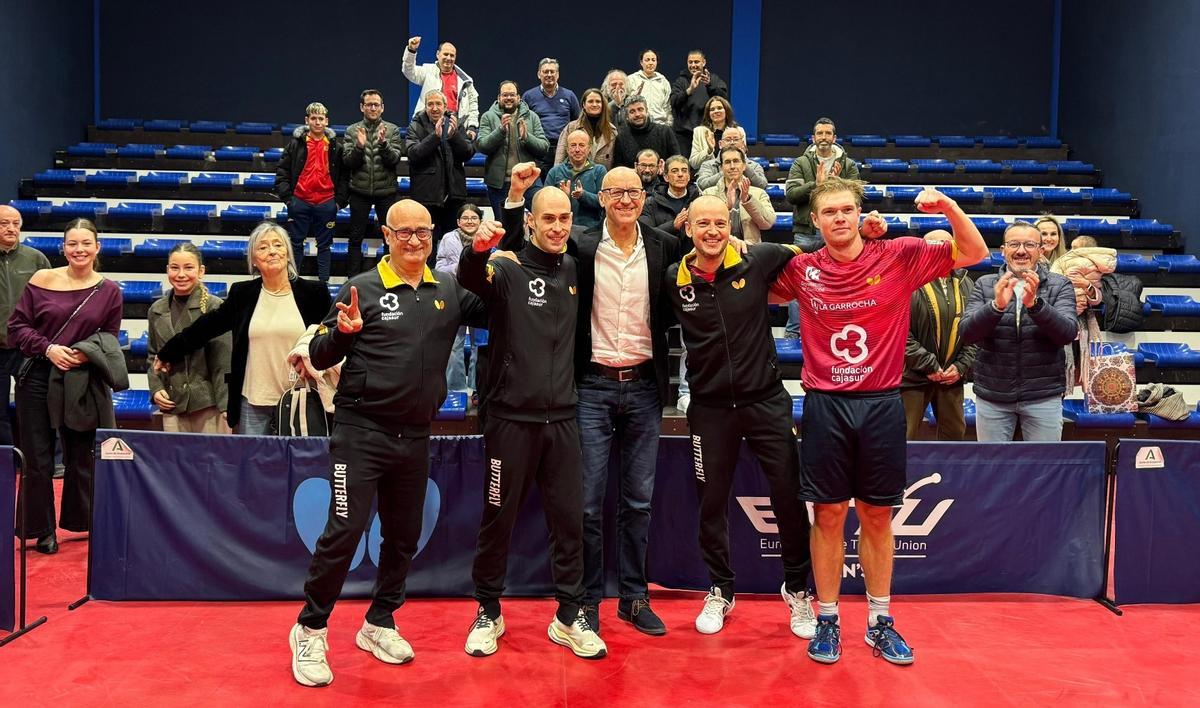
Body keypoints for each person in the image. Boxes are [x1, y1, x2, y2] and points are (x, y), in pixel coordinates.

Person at [770, 177, 988, 666]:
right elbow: (749, 285)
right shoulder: (802, 270)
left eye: (847, 210)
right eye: (830, 213)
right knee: (827, 515)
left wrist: (947, 205)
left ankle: (879, 621)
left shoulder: (899, 255)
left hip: (883, 403)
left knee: (876, 515)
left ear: (859, 212)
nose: (840, 219)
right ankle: (827, 619)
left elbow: (972, 253)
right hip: (825, 405)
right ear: (815, 221)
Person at [288, 199, 488, 687]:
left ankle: (379, 621)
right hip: (361, 432)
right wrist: (342, 336)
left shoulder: (450, 289)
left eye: (423, 231)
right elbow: (317, 350)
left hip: (416, 433)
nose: (416, 240)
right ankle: (310, 628)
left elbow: (498, 301)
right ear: (386, 234)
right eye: (405, 232)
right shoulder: (362, 287)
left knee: (403, 536)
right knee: (346, 531)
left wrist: (485, 253)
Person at [458, 163, 606, 660]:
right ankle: (488, 610)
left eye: (565, 218)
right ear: (532, 223)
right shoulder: (505, 268)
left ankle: (569, 615)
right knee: (498, 517)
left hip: (563, 418)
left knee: (570, 520)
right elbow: (470, 276)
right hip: (510, 420)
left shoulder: (571, 268)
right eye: (550, 220)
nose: (560, 227)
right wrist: (480, 246)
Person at [661, 195, 816, 639]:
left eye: (719, 223)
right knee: (712, 502)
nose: (712, 231)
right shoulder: (675, 278)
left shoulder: (759, 258)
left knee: (787, 495)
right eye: (702, 224)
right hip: (709, 409)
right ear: (688, 228)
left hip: (765, 401)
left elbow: (805, 255)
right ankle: (720, 588)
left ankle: (798, 589)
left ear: (730, 226)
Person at [555, 166, 682, 637]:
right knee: (587, 504)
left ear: (644, 196)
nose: (626, 199)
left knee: (638, 501)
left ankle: (633, 597)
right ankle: (587, 601)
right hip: (593, 385)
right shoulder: (581, 245)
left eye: (633, 191)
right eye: (616, 192)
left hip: (646, 386)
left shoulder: (664, 245)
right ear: (602, 197)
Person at [8, 218, 124, 554]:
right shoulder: (42, 279)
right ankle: (41, 530)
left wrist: (84, 355)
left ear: (97, 247)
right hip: (39, 377)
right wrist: (48, 348)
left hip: (82, 378)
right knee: (38, 457)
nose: (79, 250)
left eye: (86, 243)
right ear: (63, 247)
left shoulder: (110, 290)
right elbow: (17, 328)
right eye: (72, 244)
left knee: (80, 456)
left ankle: (82, 521)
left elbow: (109, 339)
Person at [155, 222, 331, 435]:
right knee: (253, 466)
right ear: (254, 260)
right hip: (253, 402)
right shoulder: (243, 293)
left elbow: (329, 337)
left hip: (302, 397)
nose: (272, 251)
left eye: (278, 245)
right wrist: (168, 352)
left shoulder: (315, 293)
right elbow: (207, 326)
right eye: (263, 247)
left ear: (287, 253)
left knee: (301, 467)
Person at [960, 222, 1077, 440]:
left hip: (1043, 396)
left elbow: (1067, 333)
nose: (1021, 251)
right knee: (993, 469)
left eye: (1029, 245)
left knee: (1044, 469)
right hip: (992, 396)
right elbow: (967, 334)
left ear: (1041, 251)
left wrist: (1036, 306)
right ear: (1003, 250)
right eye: (1014, 244)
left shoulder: (1060, 285)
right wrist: (995, 307)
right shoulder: (985, 284)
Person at [783, 117, 860, 339]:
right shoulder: (801, 163)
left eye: (828, 134)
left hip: (838, 234)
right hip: (806, 233)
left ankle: (836, 330)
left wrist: (837, 185)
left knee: (840, 282)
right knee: (801, 282)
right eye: (820, 134)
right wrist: (816, 185)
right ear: (813, 137)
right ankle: (794, 333)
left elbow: (858, 196)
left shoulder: (848, 165)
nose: (824, 138)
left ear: (834, 138)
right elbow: (791, 195)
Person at [900, 232, 978, 440]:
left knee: (954, 437)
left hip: (951, 376)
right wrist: (929, 364)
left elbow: (974, 329)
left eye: (947, 245)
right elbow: (899, 331)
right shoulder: (905, 280)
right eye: (934, 245)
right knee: (902, 437)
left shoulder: (966, 282)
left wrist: (961, 366)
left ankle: (950, 475)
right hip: (911, 376)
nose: (941, 250)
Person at [146, 244, 231, 433]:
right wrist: (156, 388)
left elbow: (222, 363)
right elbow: (153, 355)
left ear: (201, 271)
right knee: (174, 462)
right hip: (172, 403)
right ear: (167, 270)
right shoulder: (156, 310)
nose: (181, 274)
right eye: (175, 268)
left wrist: (225, 407)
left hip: (208, 407)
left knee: (210, 462)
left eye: (189, 267)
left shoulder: (215, 308)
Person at [275, 101, 347, 284]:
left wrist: (338, 202)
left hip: (326, 202)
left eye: (321, 119)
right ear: (306, 120)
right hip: (299, 201)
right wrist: (288, 199)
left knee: (324, 247)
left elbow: (345, 176)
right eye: (313, 118)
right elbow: (282, 171)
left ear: (327, 121)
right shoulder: (295, 145)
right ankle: (293, 284)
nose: (317, 122)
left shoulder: (335, 147)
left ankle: (323, 285)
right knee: (295, 245)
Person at [0, 204, 51, 446]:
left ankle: (36, 461)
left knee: (34, 409)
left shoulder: (36, 259)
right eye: (3, 223)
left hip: (27, 348)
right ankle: (7, 463)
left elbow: (52, 300)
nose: (11, 228)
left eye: (15, 223)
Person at [404, 90, 475, 256]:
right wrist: (435, 137)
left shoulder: (454, 124)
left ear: (445, 106)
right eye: (430, 104)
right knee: (426, 244)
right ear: (425, 107)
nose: (434, 108)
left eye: (438, 104)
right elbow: (413, 154)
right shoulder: (416, 126)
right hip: (427, 198)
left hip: (454, 196)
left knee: (454, 245)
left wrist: (454, 135)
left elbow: (468, 152)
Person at [342, 90, 403, 276]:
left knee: (390, 238)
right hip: (359, 192)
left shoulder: (392, 130)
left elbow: (394, 160)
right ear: (362, 107)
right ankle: (352, 279)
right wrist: (359, 147)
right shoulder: (352, 131)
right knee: (355, 239)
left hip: (386, 191)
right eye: (369, 104)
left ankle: (390, 276)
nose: (373, 108)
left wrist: (383, 144)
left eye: (376, 104)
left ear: (382, 107)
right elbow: (348, 162)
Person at [476, 80, 549, 216]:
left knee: (541, 216)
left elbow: (543, 148)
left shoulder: (532, 117)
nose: (509, 98)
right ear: (499, 98)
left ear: (518, 97)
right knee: (505, 227)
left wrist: (527, 137)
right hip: (500, 185)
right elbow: (482, 146)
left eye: (512, 95)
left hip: (529, 182)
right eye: (505, 95)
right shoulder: (488, 117)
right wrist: (500, 131)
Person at [436, 203, 484, 392]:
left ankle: (476, 387)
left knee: (478, 345)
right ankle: (455, 388)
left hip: (480, 297)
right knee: (454, 344)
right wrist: (460, 267)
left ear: (480, 221)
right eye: (465, 218)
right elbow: (439, 267)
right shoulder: (448, 238)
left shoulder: (489, 239)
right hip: (454, 294)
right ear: (458, 221)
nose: (469, 221)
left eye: (474, 218)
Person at [402, 36, 480, 140]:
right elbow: (408, 71)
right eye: (445, 54)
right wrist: (411, 50)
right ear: (437, 54)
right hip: (427, 127)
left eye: (452, 55)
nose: (448, 58)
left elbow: (473, 106)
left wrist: (472, 126)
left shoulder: (466, 81)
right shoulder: (428, 71)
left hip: (453, 129)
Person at [700, 147, 776, 244]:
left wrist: (747, 200)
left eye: (736, 161)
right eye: (727, 162)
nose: (732, 166)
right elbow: (702, 224)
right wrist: (726, 207)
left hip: (749, 251)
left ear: (744, 166)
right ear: (721, 168)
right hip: (717, 249)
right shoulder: (708, 194)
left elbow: (767, 223)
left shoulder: (759, 193)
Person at [523, 58, 581, 175]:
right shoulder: (529, 96)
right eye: (545, 72)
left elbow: (578, 122)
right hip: (538, 151)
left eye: (552, 72)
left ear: (557, 74)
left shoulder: (569, 96)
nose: (549, 75)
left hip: (564, 150)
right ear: (539, 74)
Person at [670, 50, 729, 157]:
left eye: (696, 62)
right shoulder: (680, 81)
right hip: (683, 135)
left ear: (704, 62)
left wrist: (710, 86)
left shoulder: (713, 80)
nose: (693, 65)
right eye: (690, 62)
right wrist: (689, 90)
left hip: (707, 133)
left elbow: (724, 100)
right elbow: (673, 102)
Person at [545, 129, 608, 230]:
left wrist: (583, 195)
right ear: (567, 149)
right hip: (561, 229)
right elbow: (545, 203)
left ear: (589, 149)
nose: (577, 149)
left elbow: (605, 202)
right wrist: (563, 198)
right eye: (573, 145)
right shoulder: (555, 172)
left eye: (582, 145)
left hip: (591, 230)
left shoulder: (599, 171)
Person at [554, 88, 617, 169]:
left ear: (603, 105)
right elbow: (560, 158)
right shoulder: (571, 127)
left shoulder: (612, 130)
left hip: (604, 178)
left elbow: (616, 162)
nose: (594, 104)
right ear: (584, 105)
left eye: (598, 101)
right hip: (575, 178)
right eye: (590, 101)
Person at [640, 154, 700, 239]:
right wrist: (672, 226)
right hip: (661, 251)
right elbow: (646, 235)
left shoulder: (699, 201)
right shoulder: (650, 203)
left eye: (684, 170)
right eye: (675, 171)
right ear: (666, 177)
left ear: (689, 176)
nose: (680, 174)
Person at [612, 97, 679, 168]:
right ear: (627, 117)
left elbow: (677, 161)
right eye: (632, 111)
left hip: (662, 177)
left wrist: (665, 168)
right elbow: (618, 168)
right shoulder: (621, 138)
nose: (637, 114)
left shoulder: (665, 132)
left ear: (647, 112)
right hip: (632, 178)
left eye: (640, 109)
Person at [694, 126, 768, 190]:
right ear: (720, 144)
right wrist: (726, 171)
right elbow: (702, 185)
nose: (732, 142)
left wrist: (743, 166)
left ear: (742, 143)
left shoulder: (754, 166)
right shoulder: (708, 165)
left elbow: (762, 185)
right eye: (728, 139)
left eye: (736, 139)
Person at [688, 95, 737, 170]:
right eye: (712, 109)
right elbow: (694, 164)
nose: (716, 111)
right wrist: (709, 150)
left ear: (726, 111)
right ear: (708, 114)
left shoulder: (738, 131)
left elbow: (743, 160)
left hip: (732, 173)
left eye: (720, 108)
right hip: (707, 175)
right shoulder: (699, 131)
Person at [626, 50, 672, 126]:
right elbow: (625, 105)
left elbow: (667, 106)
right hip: (637, 124)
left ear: (657, 62)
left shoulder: (663, 81)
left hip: (659, 125)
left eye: (653, 60)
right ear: (641, 62)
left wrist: (668, 124)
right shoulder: (631, 79)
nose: (650, 63)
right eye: (647, 60)